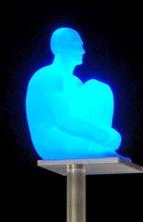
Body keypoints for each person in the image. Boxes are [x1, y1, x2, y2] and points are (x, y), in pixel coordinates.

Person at [25, 27, 123, 160]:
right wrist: (102, 134)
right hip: (51, 139)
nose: (83, 51)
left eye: (82, 46)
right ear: (60, 47)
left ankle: (98, 144)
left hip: (71, 133)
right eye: (77, 46)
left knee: (97, 87)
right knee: (106, 152)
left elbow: (79, 116)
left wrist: (104, 133)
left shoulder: (75, 82)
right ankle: (98, 145)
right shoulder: (48, 75)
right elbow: (64, 120)